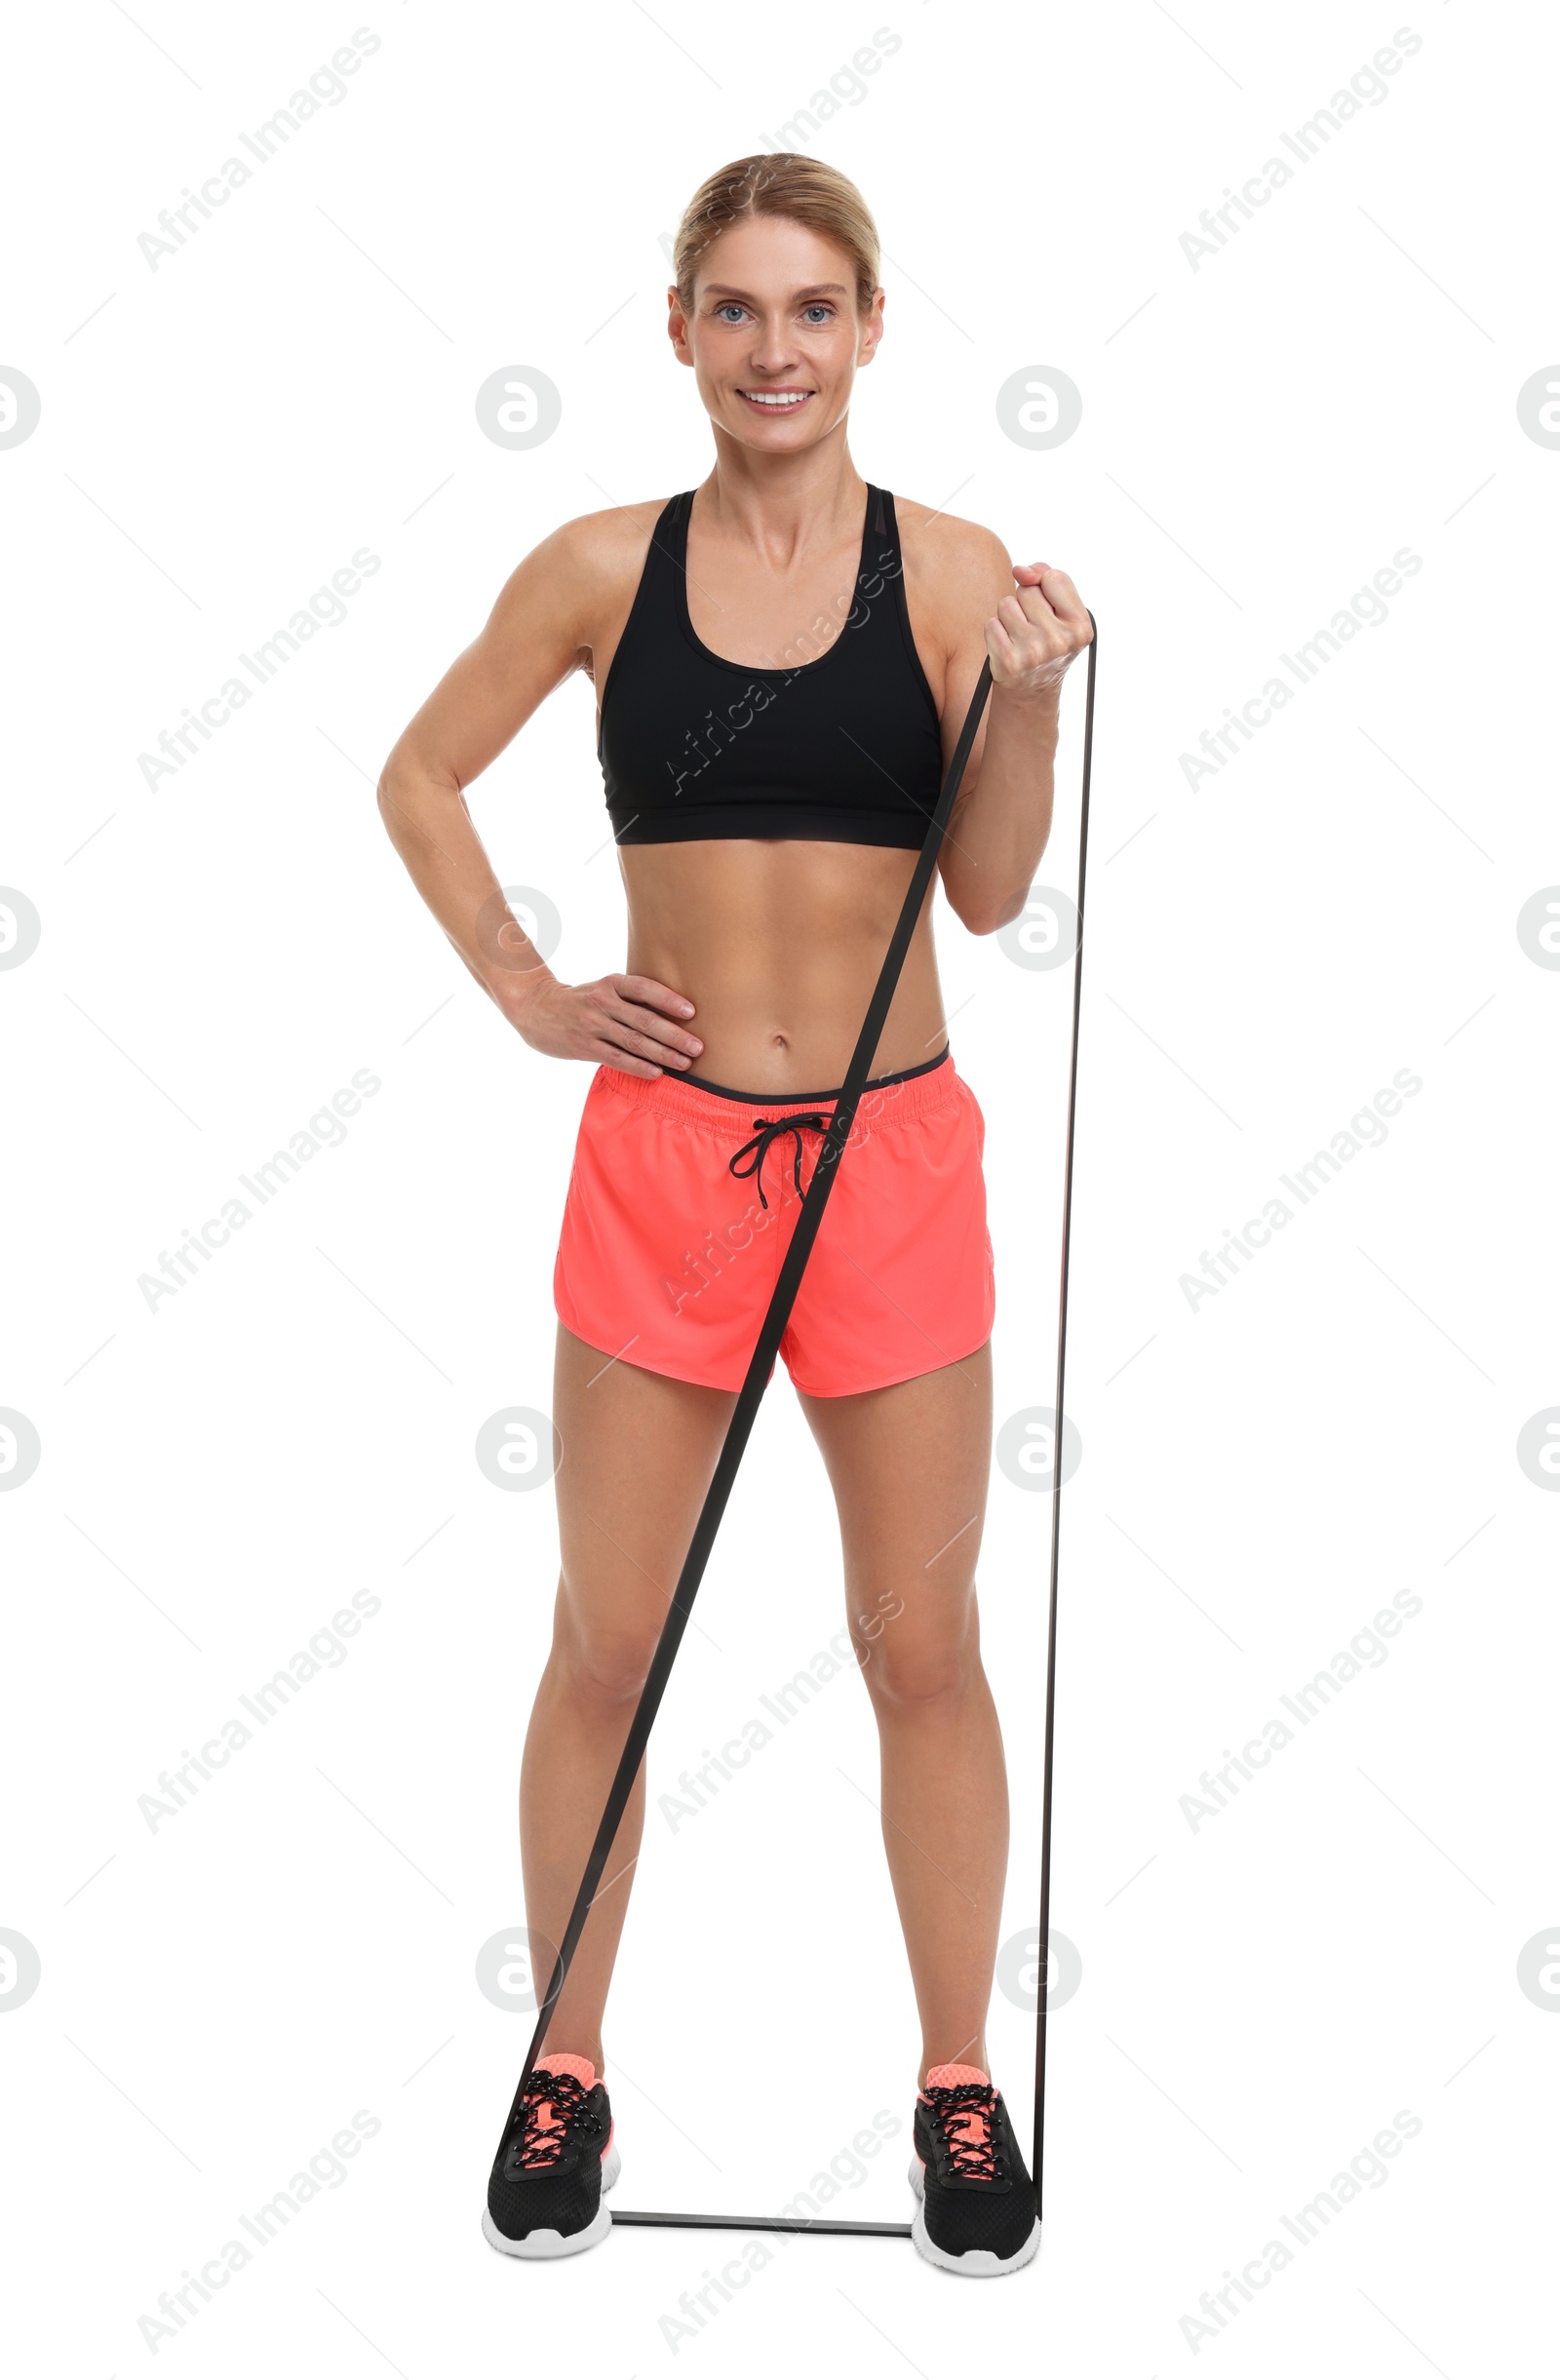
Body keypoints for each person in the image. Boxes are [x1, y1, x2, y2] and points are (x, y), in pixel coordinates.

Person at [376, 152, 1091, 2278]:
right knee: (607, 1641)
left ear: (871, 330)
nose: (773, 350)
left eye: (811, 310)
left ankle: (954, 2083)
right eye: (733, 310)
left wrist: (1029, 703)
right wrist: (526, 989)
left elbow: (978, 895)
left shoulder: (954, 575)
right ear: (675, 331)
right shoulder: (598, 565)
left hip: (889, 1159)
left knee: (918, 1643)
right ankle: (566, 2064)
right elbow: (419, 774)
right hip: (666, 1158)